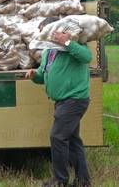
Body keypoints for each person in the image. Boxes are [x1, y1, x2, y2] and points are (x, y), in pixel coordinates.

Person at [26, 18, 92, 187]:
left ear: (56, 31)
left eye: (46, 31)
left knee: (57, 137)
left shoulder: (72, 46)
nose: (44, 35)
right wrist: (35, 75)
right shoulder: (49, 51)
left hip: (74, 99)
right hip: (63, 101)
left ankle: (60, 180)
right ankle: (83, 181)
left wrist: (68, 42)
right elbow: (43, 73)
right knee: (72, 139)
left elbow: (87, 57)